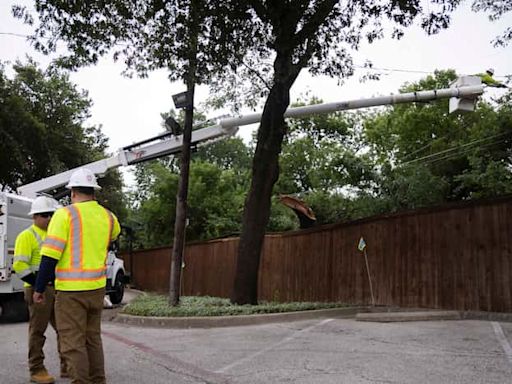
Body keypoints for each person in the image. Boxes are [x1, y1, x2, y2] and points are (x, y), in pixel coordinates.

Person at [33, 168, 121, 384]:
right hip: (97, 289)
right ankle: (98, 381)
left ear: (72, 191)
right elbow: (114, 235)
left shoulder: (65, 215)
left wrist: (39, 288)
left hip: (71, 292)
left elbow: (50, 256)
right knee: (93, 339)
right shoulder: (109, 217)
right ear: (94, 192)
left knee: (73, 344)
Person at [13, 196, 67, 384]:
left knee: (64, 329)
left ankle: (67, 365)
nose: (50, 219)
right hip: (39, 290)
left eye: (52, 215)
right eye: (46, 215)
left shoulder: (55, 235)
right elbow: (19, 265)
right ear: (34, 216)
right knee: (38, 331)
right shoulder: (27, 236)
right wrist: (39, 286)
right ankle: (36, 369)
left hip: (58, 288)